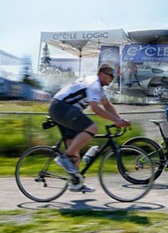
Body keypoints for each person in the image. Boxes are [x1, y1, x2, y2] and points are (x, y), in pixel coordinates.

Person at [49, 64, 131, 192]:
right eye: (110, 75)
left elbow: (107, 105)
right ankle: (63, 157)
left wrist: (119, 120)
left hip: (65, 109)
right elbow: (96, 108)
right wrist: (115, 120)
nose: (112, 78)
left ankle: (77, 182)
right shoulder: (94, 84)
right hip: (61, 107)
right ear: (102, 74)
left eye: (113, 76)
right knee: (92, 128)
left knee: (74, 154)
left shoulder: (99, 88)